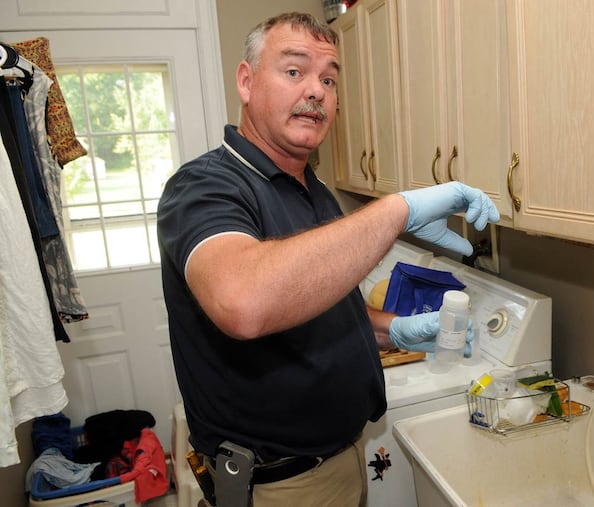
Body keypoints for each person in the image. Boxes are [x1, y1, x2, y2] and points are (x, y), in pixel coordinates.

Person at [157, 11, 499, 507]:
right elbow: (243, 301)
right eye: (295, 71)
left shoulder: (311, 189)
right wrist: (395, 210)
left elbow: (322, 304)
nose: (316, 91)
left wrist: (393, 329)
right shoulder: (204, 187)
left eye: (329, 79)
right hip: (278, 484)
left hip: (342, 458)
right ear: (247, 82)